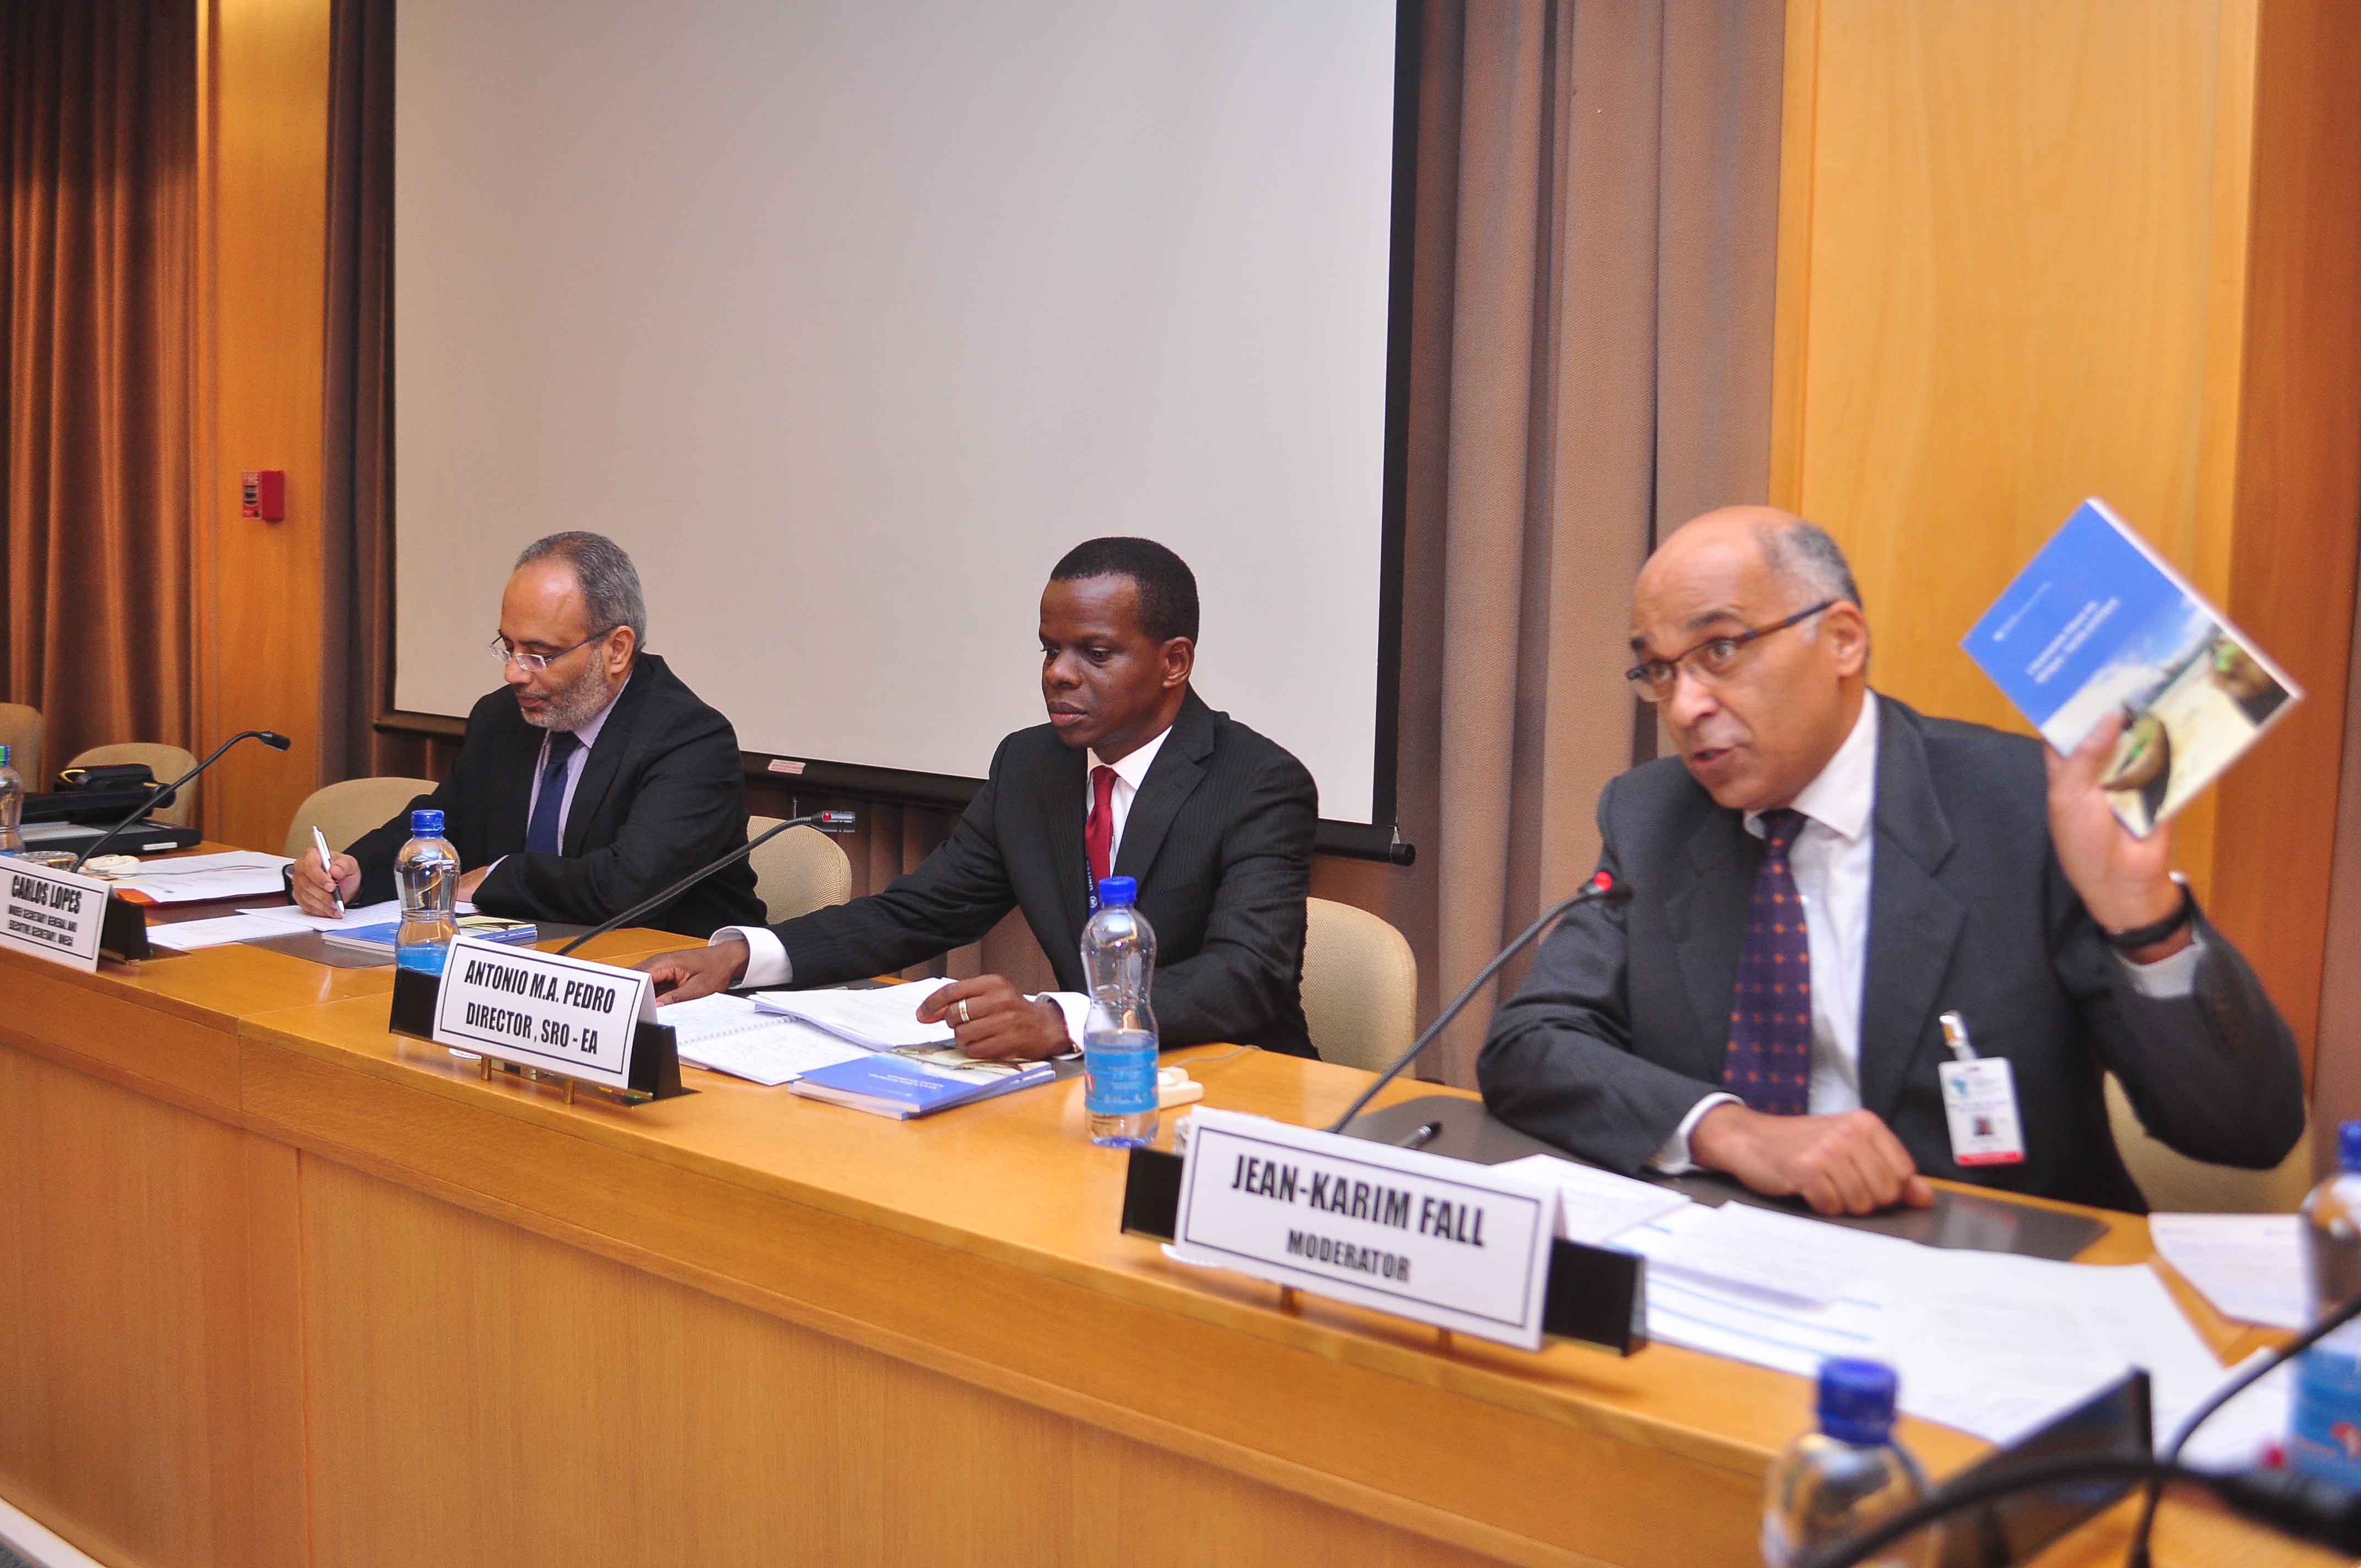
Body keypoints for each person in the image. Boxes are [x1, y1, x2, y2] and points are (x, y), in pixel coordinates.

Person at [1478, 507, 2303, 1215]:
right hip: (1733, 1260)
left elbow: (2247, 1132)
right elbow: (1530, 1044)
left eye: (1720, 651)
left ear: (1842, 640)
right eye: (1660, 671)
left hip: (1991, 1281)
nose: (1687, 705)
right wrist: (1733, 1132)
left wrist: (2147, 922)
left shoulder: (2026, 810)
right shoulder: (1655, 816)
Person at [640, 537, 1319, 1060]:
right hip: (1086, 1086)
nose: (1058, 674)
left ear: (1174, 662)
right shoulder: (1032, 765)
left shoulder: (1256, 782)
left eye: (1095, 653)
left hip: (1232, 1086)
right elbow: (918, 911)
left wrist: (1061, 1019)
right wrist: (740, 956)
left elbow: (1244, 977)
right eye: (1050, 649)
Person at [293, 531, 763, 937]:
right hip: (531, 962)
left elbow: (627, 885)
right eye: (509, 647)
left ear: (617, 649)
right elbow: (443, 825)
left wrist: (499, 876)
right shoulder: (502, 719)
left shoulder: (690, 739)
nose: (515, 674)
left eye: (540, 653)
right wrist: (354, 873)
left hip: (674, 985)